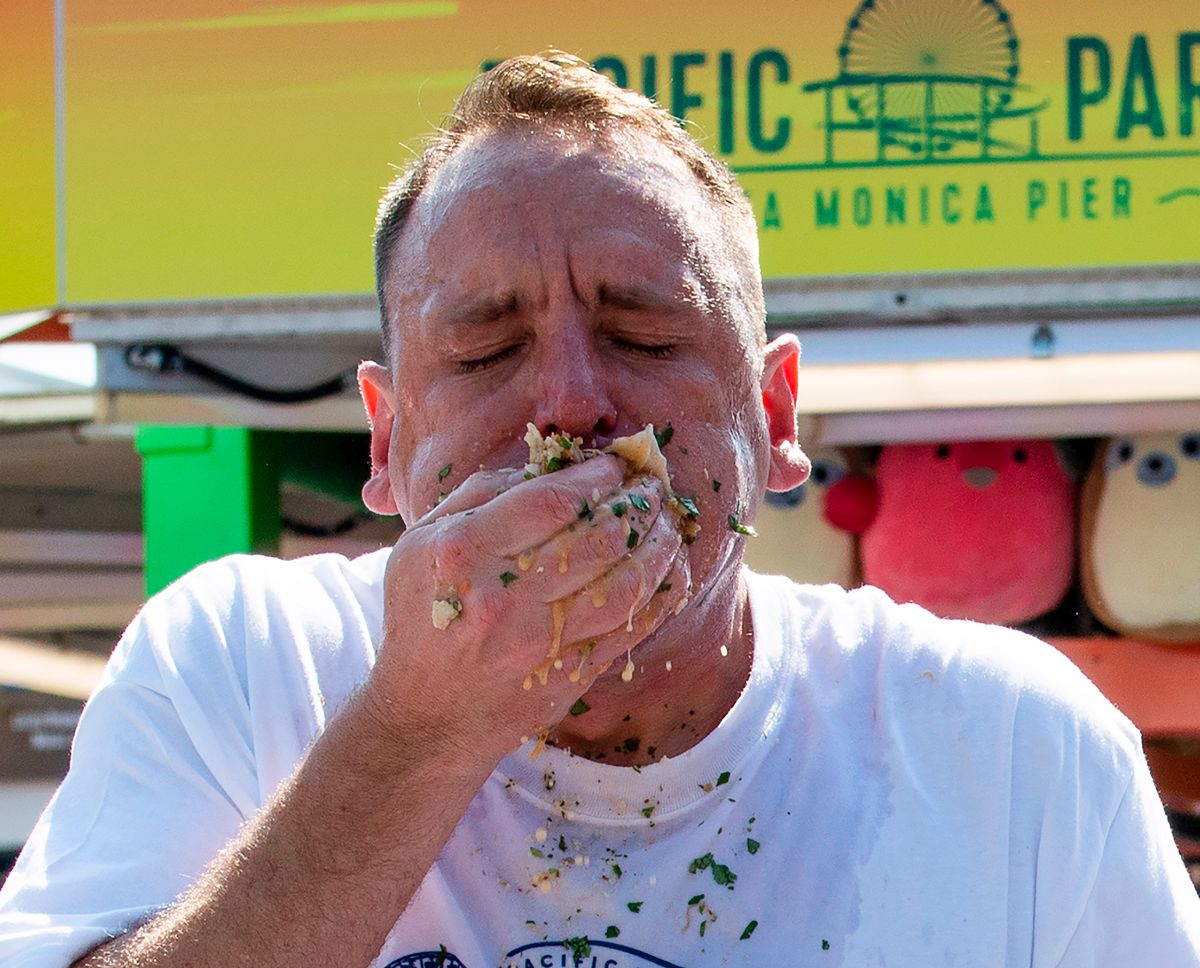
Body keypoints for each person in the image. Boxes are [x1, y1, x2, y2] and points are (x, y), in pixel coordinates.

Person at [1, 52, 1198, 968]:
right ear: (387, 437)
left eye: (647, 334)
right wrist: (418, 730)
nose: (570, 402)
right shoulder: (239, 663)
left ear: (774, 413)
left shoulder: (1011, 749)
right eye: (485, 351)